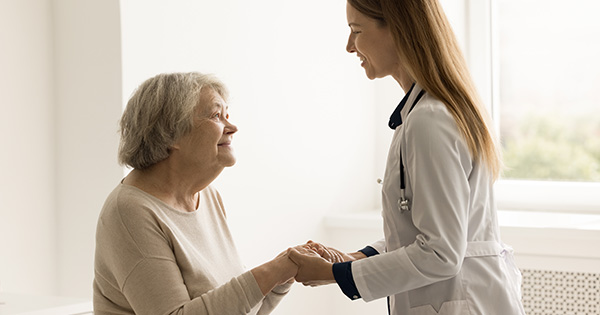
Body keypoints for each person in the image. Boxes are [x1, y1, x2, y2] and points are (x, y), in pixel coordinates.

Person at [287, 0, 526, 314]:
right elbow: (425, 233)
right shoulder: (423, 114)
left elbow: (441, 253)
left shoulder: (430, 121)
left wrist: (335, 275)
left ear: (398, 31)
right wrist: (354, 260)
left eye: (356, 31)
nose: (349, 46)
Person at [93, 72, 297, 315]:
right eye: (216, 116)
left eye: (227, 115)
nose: (232, 127)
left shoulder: (208, 197)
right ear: (171, 132)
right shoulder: (129, 211)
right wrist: (273, 271)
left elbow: (240, 310)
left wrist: (287, 271)